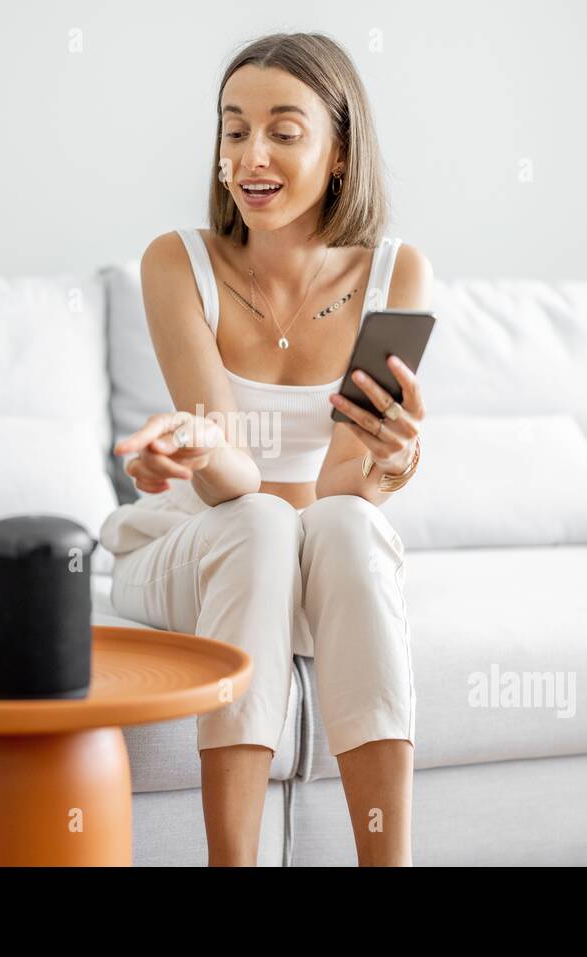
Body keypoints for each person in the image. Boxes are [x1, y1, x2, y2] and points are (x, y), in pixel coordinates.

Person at [99, 31, 434, 867]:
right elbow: (234, 485)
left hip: (312, 556)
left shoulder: (396, 274)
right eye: (234, 128)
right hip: (192, 550)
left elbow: (339, 489)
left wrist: (388, 465)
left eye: (285, 131)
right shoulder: (179, 262)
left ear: (340, 149)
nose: (252, 153)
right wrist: (192, 448)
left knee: (347, 526)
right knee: (259, 524)